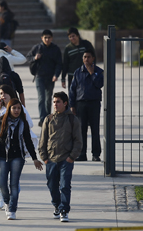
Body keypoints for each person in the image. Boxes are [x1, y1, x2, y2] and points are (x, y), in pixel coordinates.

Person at [0, 98, 43, 220]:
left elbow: (28, 141)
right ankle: (7, 202)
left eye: (19, 108)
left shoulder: (23, 123)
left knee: (14, 184)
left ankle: (12, 209)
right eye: (14, 108)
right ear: (9, 109)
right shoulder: (0, 121)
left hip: (18, 157)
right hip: (2, 156)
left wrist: (35, 158)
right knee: (2, 183)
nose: (17, 110)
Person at [39, 91, 82, 222]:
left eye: (58, 102)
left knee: (64, 185)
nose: (55, 104)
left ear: (65, 103)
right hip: (51, 159)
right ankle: (57, 205)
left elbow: (78, 141)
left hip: (66, 159)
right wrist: (44, 158)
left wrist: (71, 158)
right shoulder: (49, 119)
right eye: (54, 102)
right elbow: (43, 140)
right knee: (52, 185)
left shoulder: (72, 120)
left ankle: (64, 210)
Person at [69, 50, 104, 161]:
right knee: (81, 130)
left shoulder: (99, 71)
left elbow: (100, 84)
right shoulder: (78, 72)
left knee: (95, 129)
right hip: (81, 104)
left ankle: (96, 154)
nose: (86, 59)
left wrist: (92, 73)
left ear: (93, 58)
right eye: (85, 57)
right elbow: (72, 89)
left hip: (94, 103)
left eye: (89, 57)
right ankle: (82, 154)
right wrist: (72, 105)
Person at [26, 29, 63, 127]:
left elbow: (59, 63)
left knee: (48, 99)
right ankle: (42, 119)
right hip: (39, 76)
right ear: (42, 38)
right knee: (41, 98)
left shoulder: (55, 49)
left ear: (52, 38)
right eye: (45, 37)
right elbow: (28, 57)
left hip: (50, 78)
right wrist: (35, 58)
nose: (47, 39)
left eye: (49, 37)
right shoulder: (37, 48)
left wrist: (56, 75)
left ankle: (47, 117)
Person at [61, 27, 95, 92]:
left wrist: (92, 70)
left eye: (73, 36)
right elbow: (65, 64)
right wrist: (63, 79)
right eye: (70, 37)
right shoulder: (68, 48)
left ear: (78, 35)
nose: (72, 38)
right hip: (72, 75)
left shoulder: (86, 44)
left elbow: (93, 57)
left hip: (85, 74)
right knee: (72, 95)